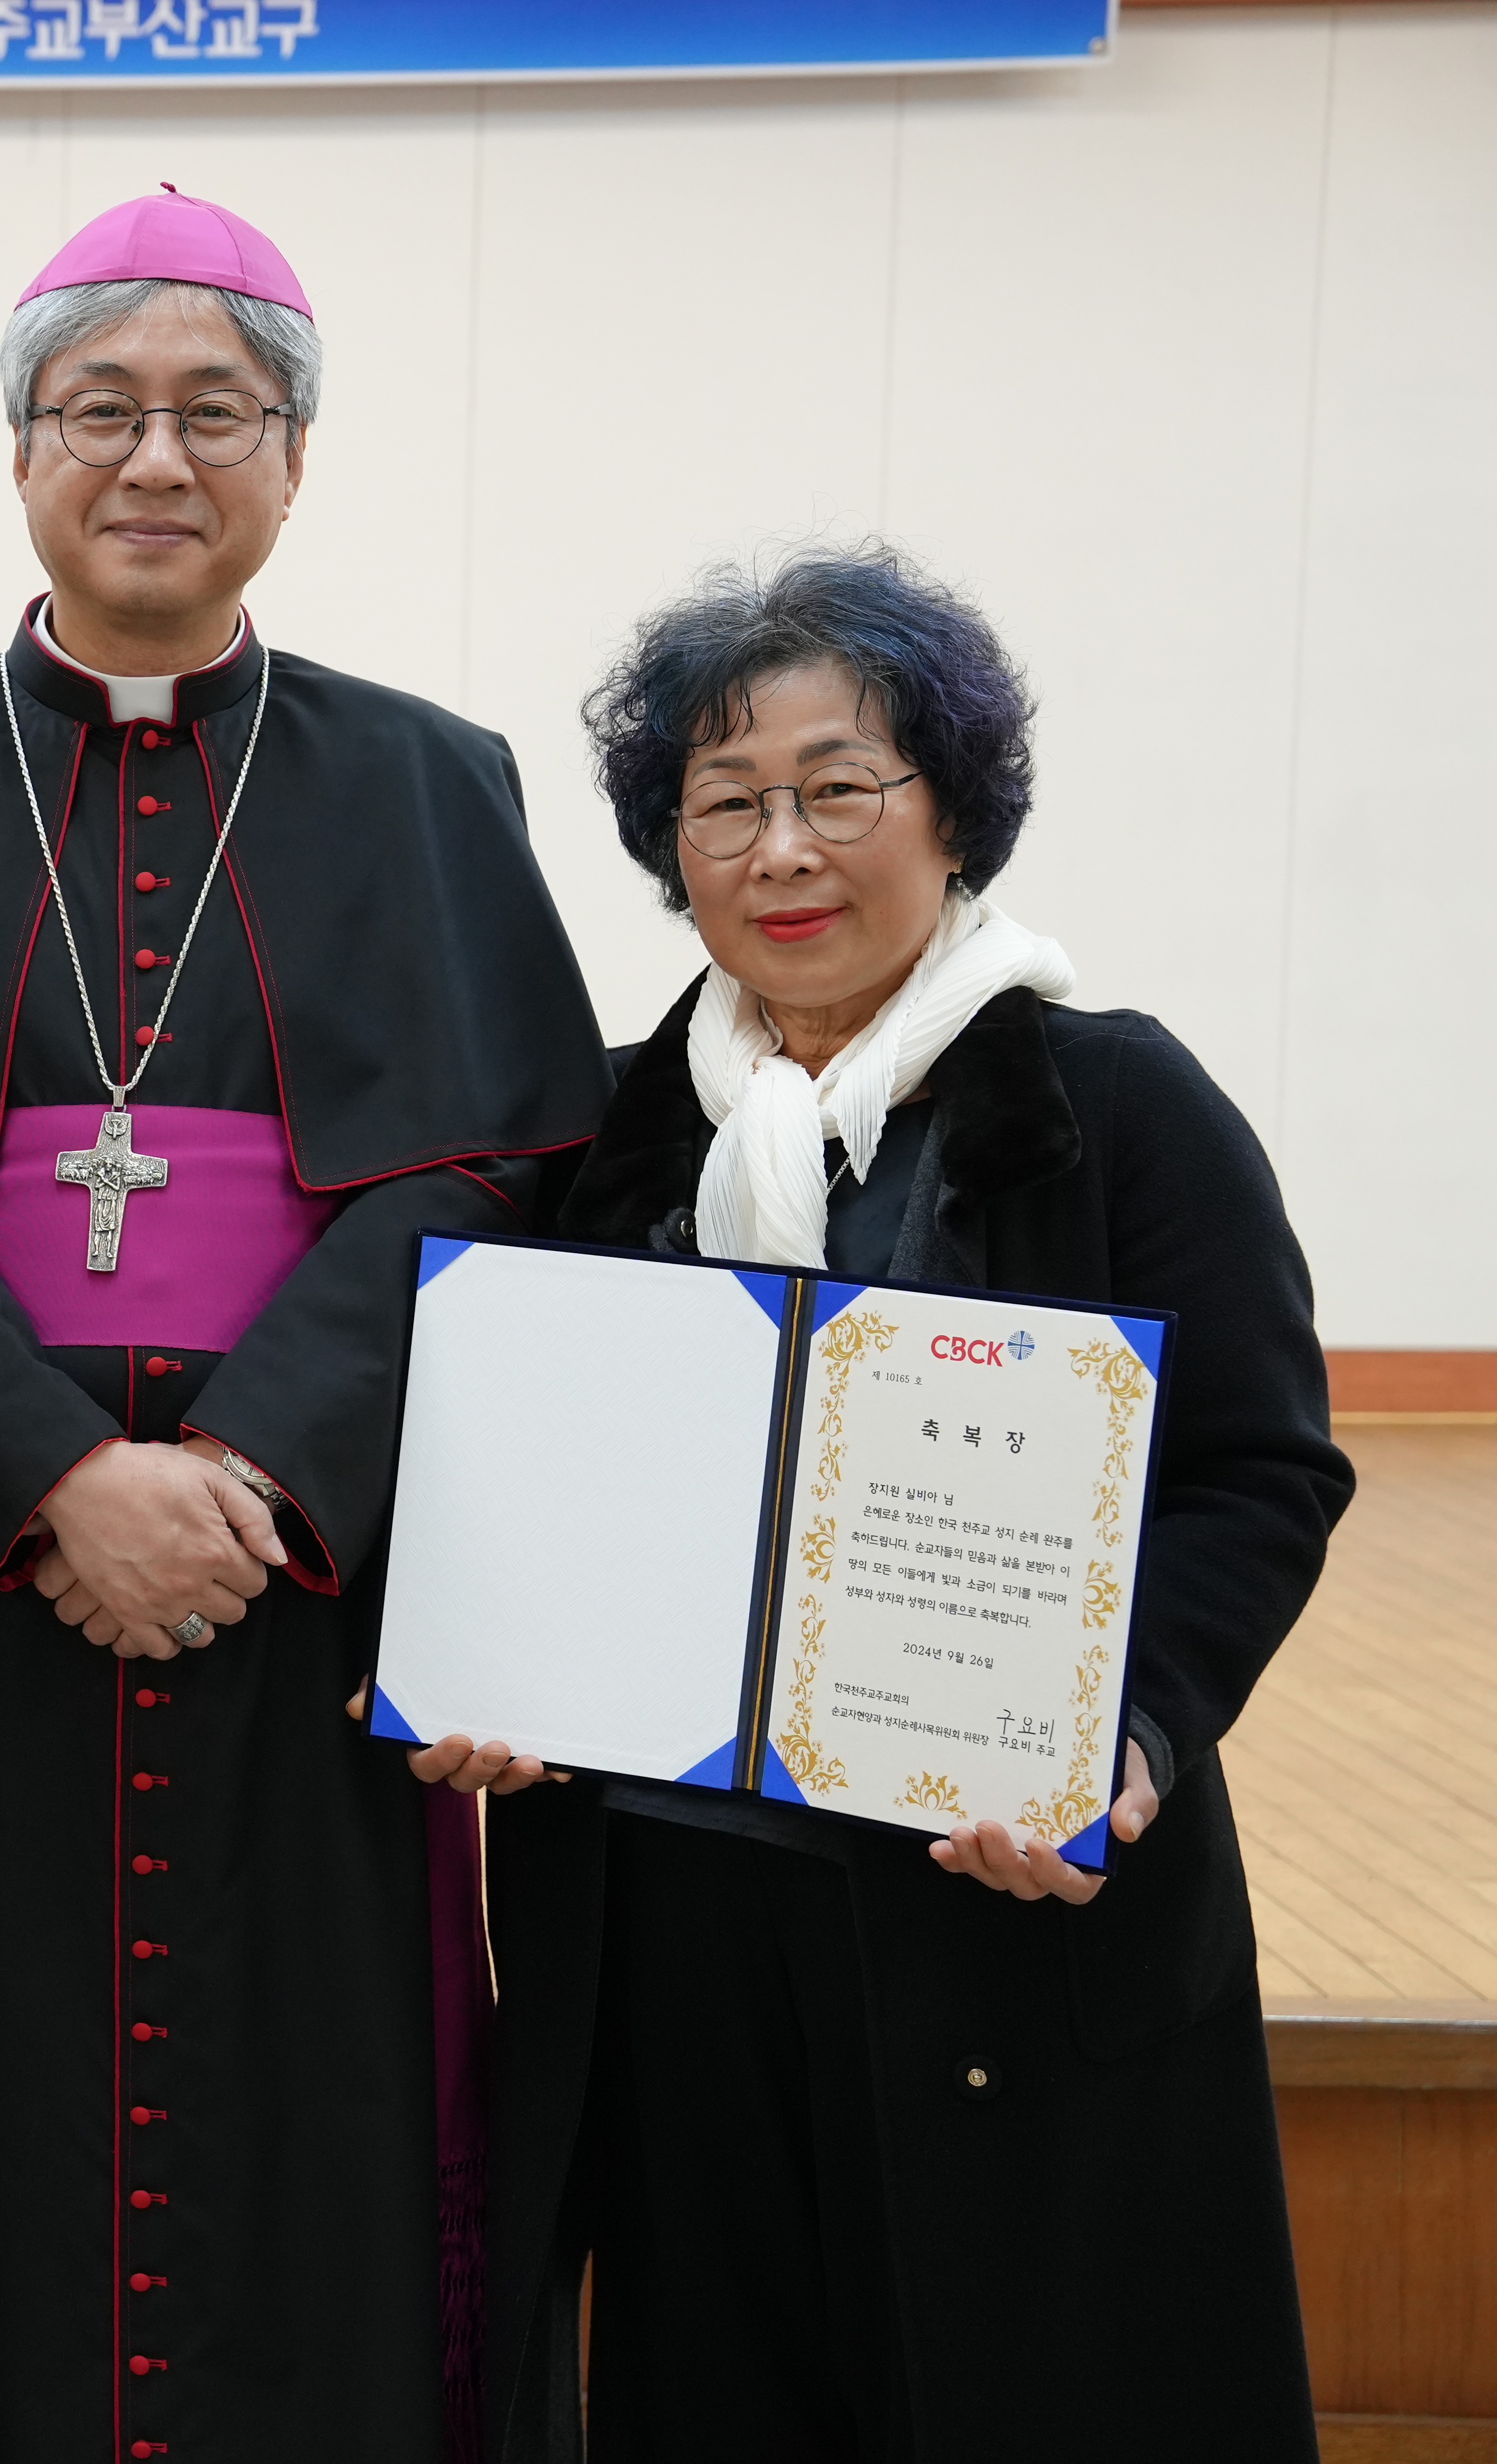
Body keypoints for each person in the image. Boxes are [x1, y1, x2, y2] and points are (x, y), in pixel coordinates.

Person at [0, 187, 612, 2459]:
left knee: (309, 2092)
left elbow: (481, 1172)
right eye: (103, 408)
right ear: (21, 455)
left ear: (297, 460)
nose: (159, 458)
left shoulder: (427, 780)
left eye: (221, 409)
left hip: (301, 1586)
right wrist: (57, 1480)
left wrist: (252, 1474)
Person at [468, 549, 1355, 2461]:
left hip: (1000, 1911)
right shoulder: (614, 1136)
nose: (779, 845)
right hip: (679, 1929)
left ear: (948, 813)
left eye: (833, 787)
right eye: (723, 803)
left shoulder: (1112, 1108)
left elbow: (1255, 1473)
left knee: (1034, 2390)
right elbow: (526, 1493)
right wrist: (490, 1673)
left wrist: (1124, 1732)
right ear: (671, 850)